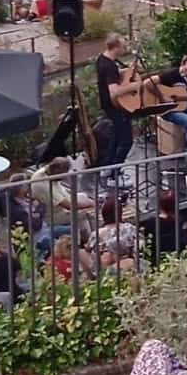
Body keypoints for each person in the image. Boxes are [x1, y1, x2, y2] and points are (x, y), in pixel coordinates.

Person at [29, 156, 96, 240]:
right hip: (53, 215)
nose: (64, 177)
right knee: (85, 213)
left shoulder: (48, 171)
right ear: (57, 171)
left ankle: (87, 235)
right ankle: (89, 239)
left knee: (83, 196)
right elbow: (69, 206)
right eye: (63, 174)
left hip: (63, 202)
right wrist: (91, 203)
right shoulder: (43, 185)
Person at [95, 33, 135, 169]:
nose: (125, 49)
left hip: (107, 104)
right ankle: (115, 171)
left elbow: (111, 76)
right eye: (123, 46)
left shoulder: (102, 58)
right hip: (115, 106)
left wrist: (126, 71)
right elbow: (114, 91)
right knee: (126, 141)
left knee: (116, 137)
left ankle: (108, 167)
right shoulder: (109, 66)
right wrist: (133, 86)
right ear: (116, 47)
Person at [140, 190, 187, 265]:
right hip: (177, 259)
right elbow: (185, 242)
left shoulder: (150, 223)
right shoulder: (180, 222)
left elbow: (147, 243)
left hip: (156, 259)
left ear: (159, 205)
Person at [90, 194, 138, 270]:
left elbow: (89, 249)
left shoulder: (97, 233)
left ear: (103, 214)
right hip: (128, 264)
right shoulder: (130, 228)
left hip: (106, 268)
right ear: (120, 213)